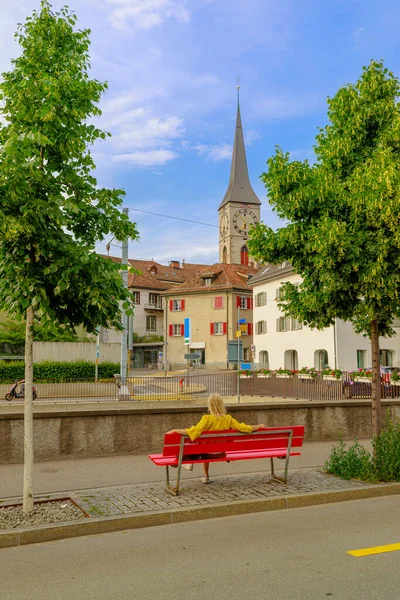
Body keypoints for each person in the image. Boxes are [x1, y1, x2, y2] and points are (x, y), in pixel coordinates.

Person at [167, 393, 265, 484]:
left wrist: (175, 430)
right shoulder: (228, 419)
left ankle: (198, 470)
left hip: (207, 454)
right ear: (221, 405)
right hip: (220, 454)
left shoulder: (206, 419)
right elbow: (244, 428)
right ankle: (202, 472)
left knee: (201, 444)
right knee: (204, 445)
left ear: (210, 406)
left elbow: (193, 432)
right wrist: (259, 426)